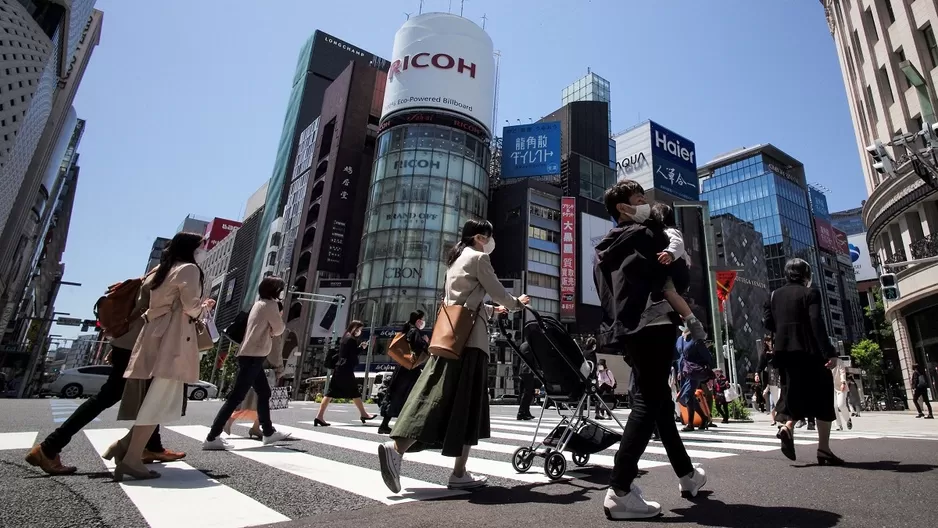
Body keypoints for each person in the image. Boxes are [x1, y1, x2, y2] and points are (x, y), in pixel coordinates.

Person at [377, 219, 530, 493]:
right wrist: (516, 304)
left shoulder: (455, 260)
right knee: (461, 402)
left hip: (451, 337)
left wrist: (493, 311)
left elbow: (464, 302)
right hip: (470, 343)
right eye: (488, 236)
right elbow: (498, 292)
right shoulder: (480, 257)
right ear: (481, 237)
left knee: (453, 400)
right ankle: (397, 448)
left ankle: (459, 472)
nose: (490, 242)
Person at [593, 180, 706, 520]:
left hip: (627, 330)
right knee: (649, 401)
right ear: (624, 209)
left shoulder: (606, 246)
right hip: (656, 325)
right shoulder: (646, 235)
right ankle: (620, 488)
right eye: (639, 199)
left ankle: (687, 474)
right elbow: (672, 277)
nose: (645, 203)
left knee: (657, 402)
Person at [25, 270, 185, 475]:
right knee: (112, 396)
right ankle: (48, 448)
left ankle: (152, 447)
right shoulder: (169, 276)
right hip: (137, 347)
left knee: (146, 397)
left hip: (128, 345)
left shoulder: (154, 274)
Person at [110, 232, 215, 481]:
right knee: (158, 399)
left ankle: (125, 446)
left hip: (154, 333)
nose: (204, 250)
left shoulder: (164, 268)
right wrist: (206, 306)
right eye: (202, 246)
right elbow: (190, 306)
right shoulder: (189, 269)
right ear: (192, 248)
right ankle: (132, 458)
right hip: (174, 337)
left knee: (155, 395)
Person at [763, 258, 842, 465]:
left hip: (784, 353)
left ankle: (787, 427)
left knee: (794, 392)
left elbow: (768, 322)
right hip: (808, 351)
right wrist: (829, 352)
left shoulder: (773, 296)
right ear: (806, 275)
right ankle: (823, 449)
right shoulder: (811, 293)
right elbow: (816, 322)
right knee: (823, 395)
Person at [204, 277, 291, 449]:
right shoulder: (271, 305)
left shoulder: (258, 304)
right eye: (281, 289)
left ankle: (268, 432)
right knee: (236, 396)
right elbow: (279, 329)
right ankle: (212, 436)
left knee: (264, 392)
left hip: (249, 354)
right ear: (275, 290)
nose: (283, 292)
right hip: (254, 355)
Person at [647, 203, 707, 341]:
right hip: (669, 272)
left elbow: (678, 243)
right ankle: (683, 320)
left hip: (672, 272)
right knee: (666, 299)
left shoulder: (669, 231)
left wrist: (670, 253)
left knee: (669, 293)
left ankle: (692, 321)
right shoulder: (656, 234)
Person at [314, 321, 378, 426]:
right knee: (352, 391)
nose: (359, 332)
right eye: (358, 329)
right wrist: (362, 348)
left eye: (360, 330)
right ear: (353, 328)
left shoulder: (345, 337)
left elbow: (348, 353)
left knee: (334, 392)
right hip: (345, 369)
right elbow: (352, 355)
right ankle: (364, 414)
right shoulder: (351, 340)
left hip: (340, 368)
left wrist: (360, 348)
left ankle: (319, 417)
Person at [378, 311, 430, 434]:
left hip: (403, 367)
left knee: (397, 395)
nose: (423, 322)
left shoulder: (406, 329)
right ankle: (408, 425)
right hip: (410, 369)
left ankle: (386, 424)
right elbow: (418, 346)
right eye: (422, 319)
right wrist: (426, 342)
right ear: (418, 320)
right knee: (411, 395)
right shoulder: (414, 331)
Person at [676, 326, 713, 432]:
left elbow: (707, 356)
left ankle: (690, 424)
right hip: (683, 372)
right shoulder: (679, 339)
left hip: (694, 371)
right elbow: (679, 356)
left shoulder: (696, 339)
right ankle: (704, 418)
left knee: (687, 395)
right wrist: (678, 371)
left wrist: (710, 373)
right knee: (685, 397)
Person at [756, 336, 782, 425]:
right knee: (773, 400)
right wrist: (757, 374)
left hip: (780, 377)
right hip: (771, 379)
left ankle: (781, 417)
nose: (770, 342)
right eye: (768, 341)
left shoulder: (778, 351)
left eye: (771, 341)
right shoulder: (765, 354)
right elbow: (760, 365)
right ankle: (774, 419)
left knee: (779, 398)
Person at [833, 357, 852, 431]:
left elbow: (842, 372)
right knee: (833, 407)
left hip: (841, 386)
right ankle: (838, 425)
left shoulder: (839, 361)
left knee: (841, 405)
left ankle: (848, 420)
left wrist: (843, 382)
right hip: (830, 387)